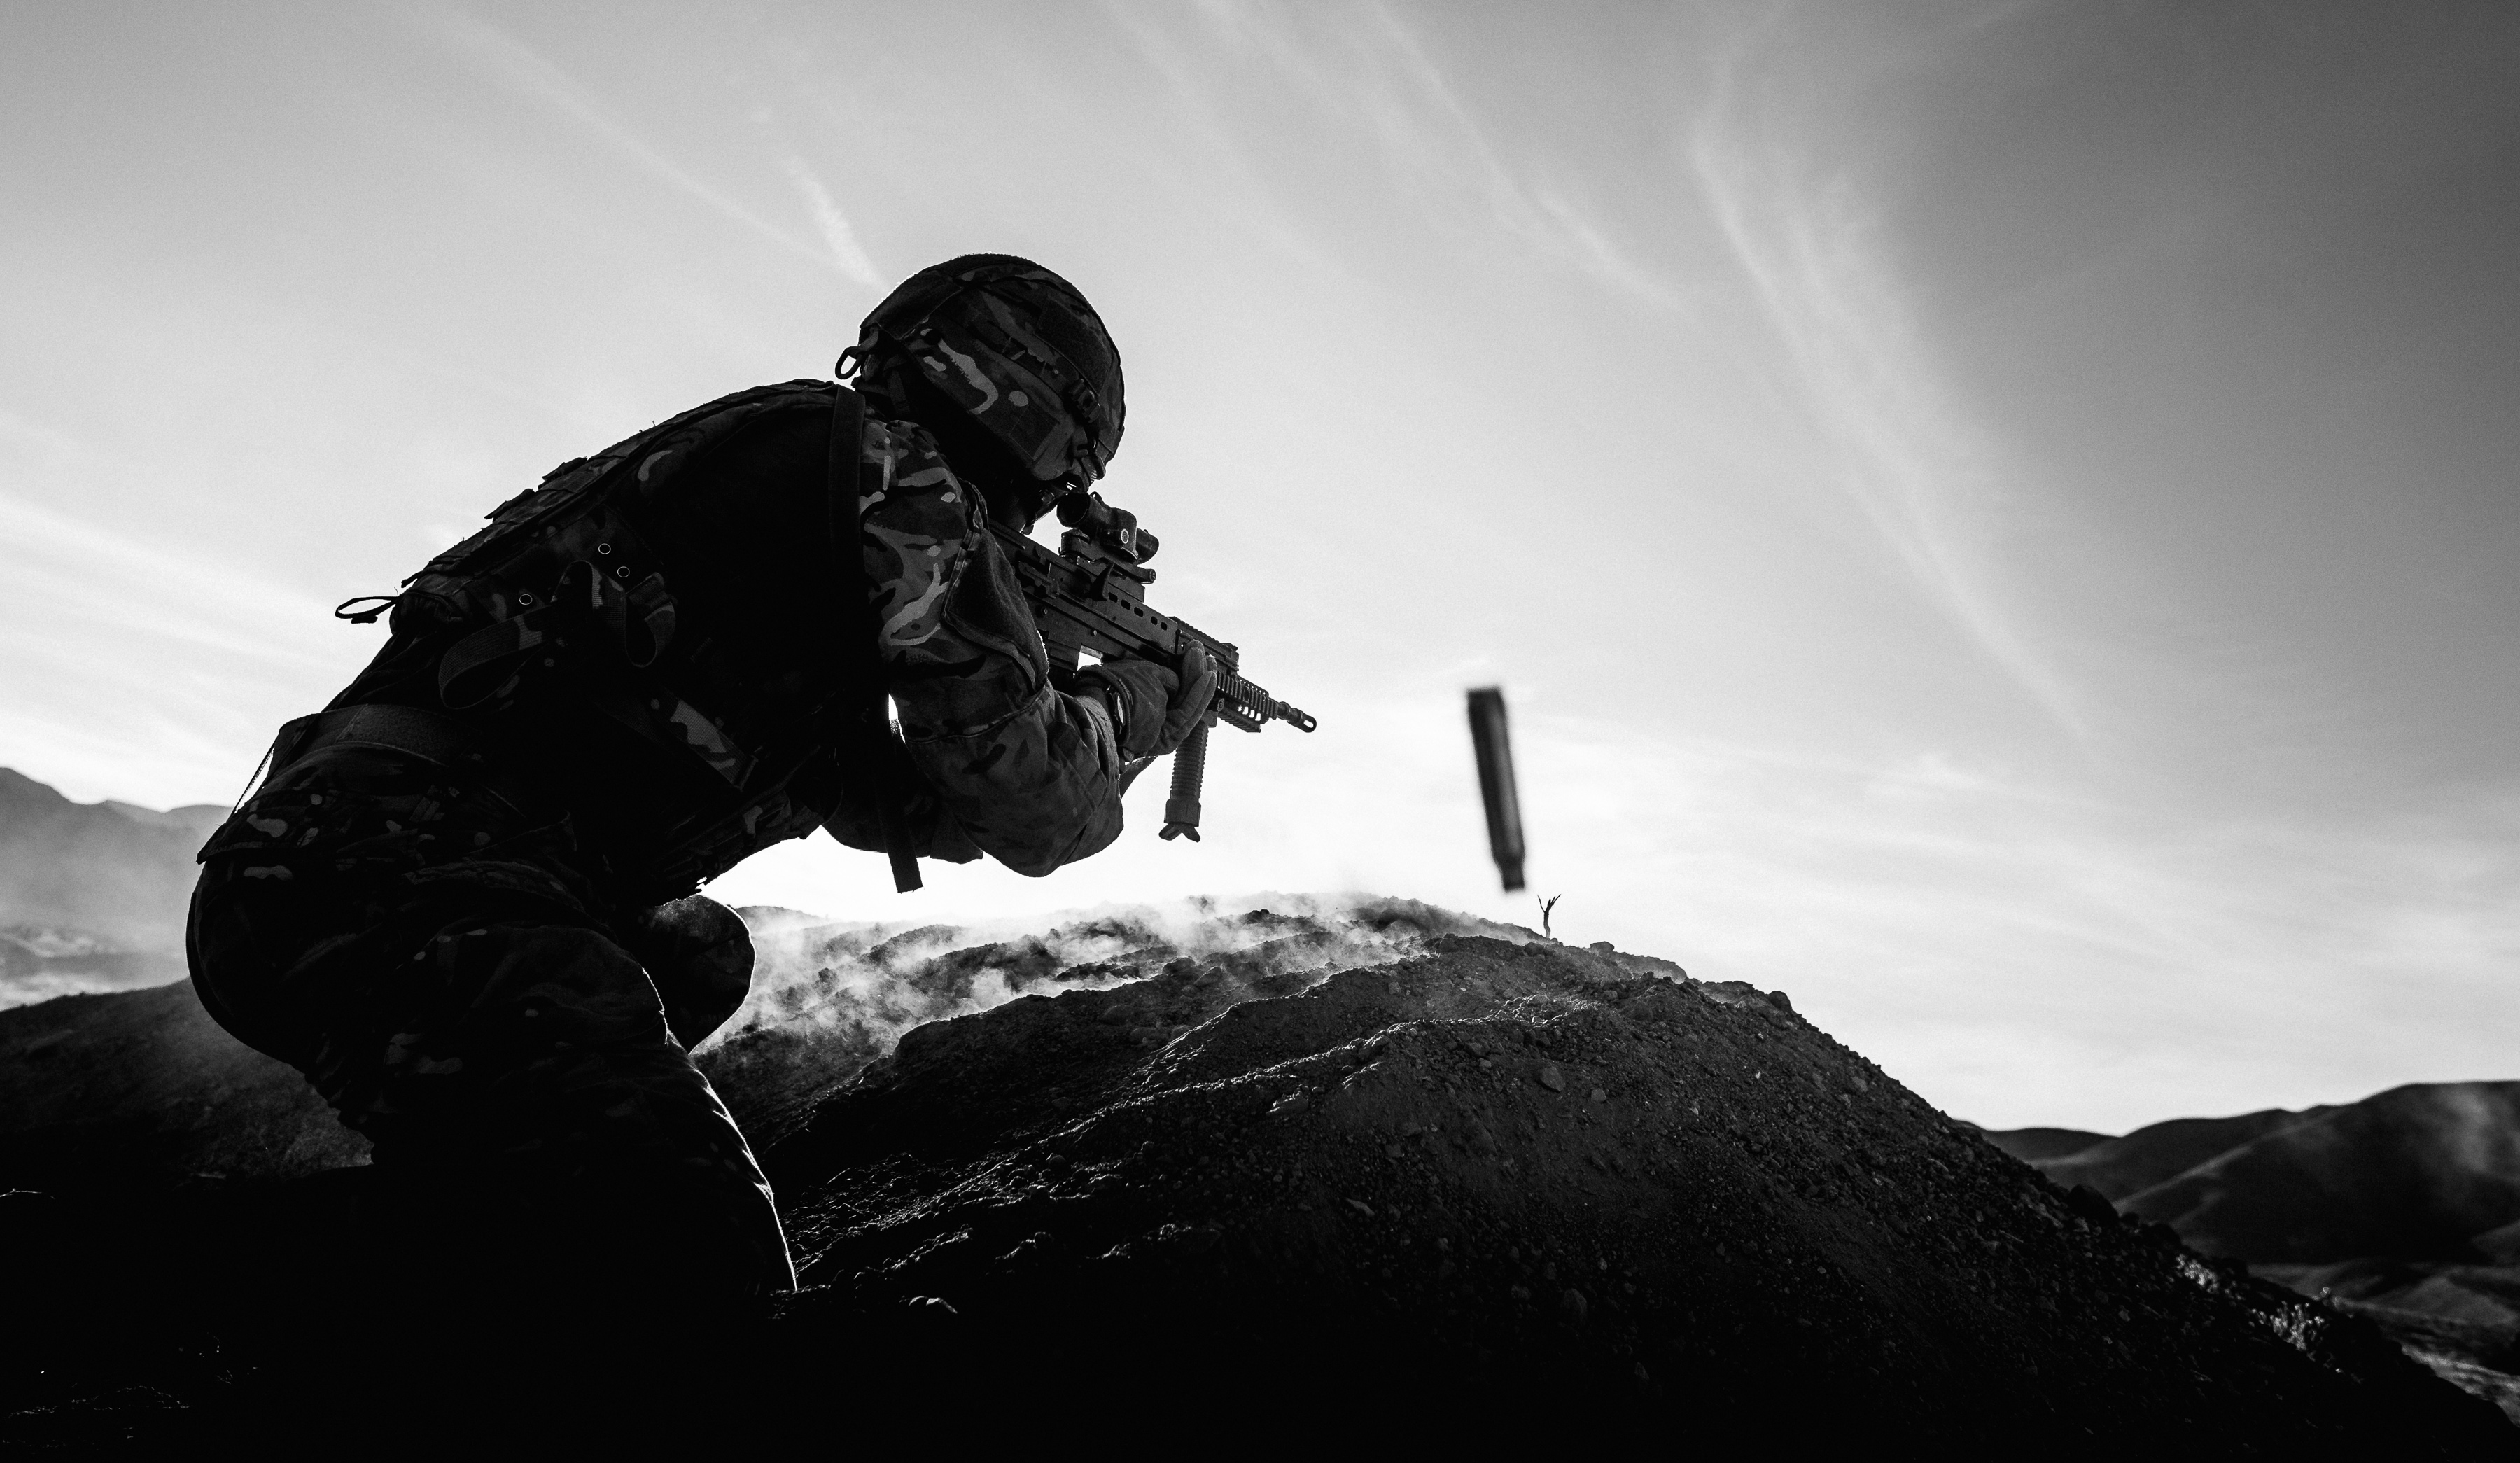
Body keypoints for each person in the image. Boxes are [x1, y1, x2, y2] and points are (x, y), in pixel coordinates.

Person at [185, 255, 1214, 1302]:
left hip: (324, 872)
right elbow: (1037, 811)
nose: (1050, 512)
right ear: (1042, 432)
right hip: (405, 882)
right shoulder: (907, 488)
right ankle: (228, 1287)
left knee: (699, 957)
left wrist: (1051, 685)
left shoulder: (806, 464)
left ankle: (464, 1245)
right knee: (707, 1265)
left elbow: (907, 802)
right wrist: (1136, 703)